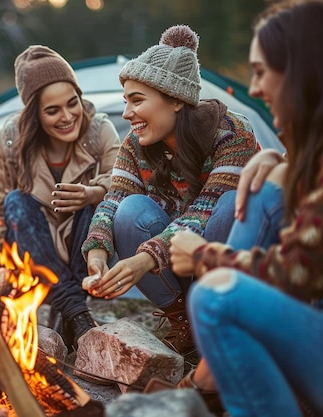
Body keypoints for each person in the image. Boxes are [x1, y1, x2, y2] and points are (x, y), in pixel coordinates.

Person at [169, 2, 323, 416]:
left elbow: (293, 275)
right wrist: (281, 161)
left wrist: (201, 256)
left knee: (214, 297)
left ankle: (210, 376)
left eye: (259, 72)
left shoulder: (230, 129)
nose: (253, 88)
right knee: (265, 189)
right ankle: (214, 374)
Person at [81, 25, 260, 356]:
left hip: (227, 261)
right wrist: (97, 254)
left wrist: (143, 260)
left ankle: (220, 319)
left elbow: (205, 213)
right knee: (129, 210)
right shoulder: (137, 144)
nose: (126, 113)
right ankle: (187, 323)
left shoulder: (233, 135)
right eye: (125, 101)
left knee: (232, 205)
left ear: (175, 100)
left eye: (137, 100)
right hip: (174, 259)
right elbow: (113, 200)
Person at [0, 45, 121, 350]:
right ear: (34, 114)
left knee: (101, 203)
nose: (68, 117)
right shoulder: (11, 141)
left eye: (73, 103)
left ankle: (68, 309)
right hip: (33, 246)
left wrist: (92, 193)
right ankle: (77, 315)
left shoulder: (100, 131)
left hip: (88, 246)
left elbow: (124, 186)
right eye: (53, 110)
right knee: (16, 200)